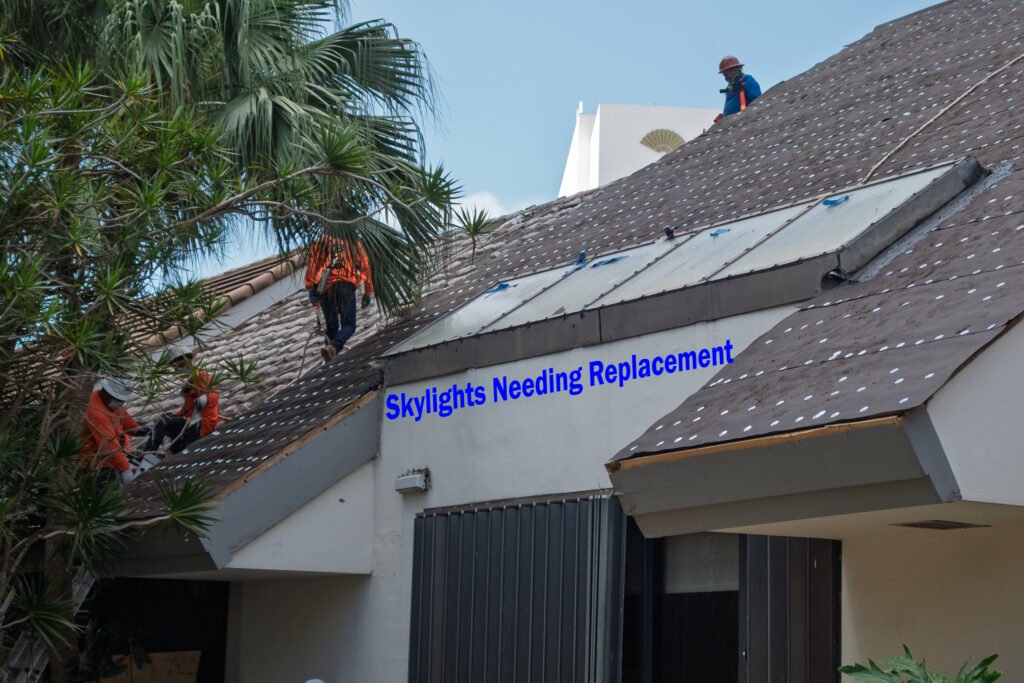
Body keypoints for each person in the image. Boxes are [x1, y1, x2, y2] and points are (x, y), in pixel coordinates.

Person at [304, 236, 374, 362]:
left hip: (325, 287)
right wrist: (367, 292)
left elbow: (313, 264)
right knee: (349, 325)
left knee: (332, 327)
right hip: (345, 285)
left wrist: (311, 288)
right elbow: (365, 266)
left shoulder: (322, 241)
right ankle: (334, 348)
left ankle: (330, 357)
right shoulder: (353, 242)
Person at [146, 358, 220, 455]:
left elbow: (214, 394)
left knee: (183, 448)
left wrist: (205, 398)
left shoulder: (201, 375)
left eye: (180, 366)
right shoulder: (190, 383)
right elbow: (187, 408)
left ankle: (149, 453)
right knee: (166, 427)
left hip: (201, 424)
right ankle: (148, 453)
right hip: (189, 422)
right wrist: (175, 416)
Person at [80, 377, 150, 480]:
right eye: (118, 400)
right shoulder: (96, 413)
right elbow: (110, 446)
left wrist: (137, 430)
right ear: (106, 393)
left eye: (122, 401)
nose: (120, 403)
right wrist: (125, 471)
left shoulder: (109, 402)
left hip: (116, 457)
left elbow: (124, 419)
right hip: (98, 464)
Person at [716, 55, 761, 121]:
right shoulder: (730, 88)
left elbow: (757, 102)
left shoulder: (748, 81)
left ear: (735, 70)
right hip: (731, 123)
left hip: (744, 120)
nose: (725, 77)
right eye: (724, 74)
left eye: (726, 74)